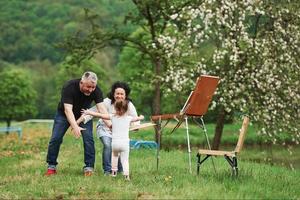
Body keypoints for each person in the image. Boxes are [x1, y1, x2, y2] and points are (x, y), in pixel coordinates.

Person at [45, 71, 109, 176]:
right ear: (81, 82)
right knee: (55, 138)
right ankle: (51, 166)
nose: (91, 90)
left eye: (93, 87)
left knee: (88, 139)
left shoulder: (96, 90)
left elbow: (102, 109)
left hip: (83, 115)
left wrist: (110, 125)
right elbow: (67, 110)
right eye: (88, 87)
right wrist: (75, 126)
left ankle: (89, 167)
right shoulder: (69, 87)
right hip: (64, 115)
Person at [81, 81, 139, 175]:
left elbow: (134, 118)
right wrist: (79, 121)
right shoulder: (106, 102)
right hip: (104, 129)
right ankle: (107, 170)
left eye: (122, 94)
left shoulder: (129, 105)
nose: (119, 96)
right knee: (108, 145)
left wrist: (136, 126)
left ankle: (119, 170)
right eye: (117, 93)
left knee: (119, 148)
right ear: (113, 93)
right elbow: (93, 111)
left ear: (125, 95)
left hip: (119, 132)